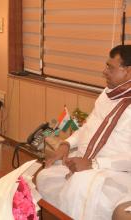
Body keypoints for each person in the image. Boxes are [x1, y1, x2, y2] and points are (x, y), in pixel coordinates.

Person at [36, 45, 131, 220]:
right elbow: (89, 127)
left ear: (128, 71)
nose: (104, 71)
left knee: (78, 185)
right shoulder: (107, 94)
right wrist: (66, 144)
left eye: (110, 67)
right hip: (87, 163)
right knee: (44, 176)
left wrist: (93, 164)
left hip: (116, 173)